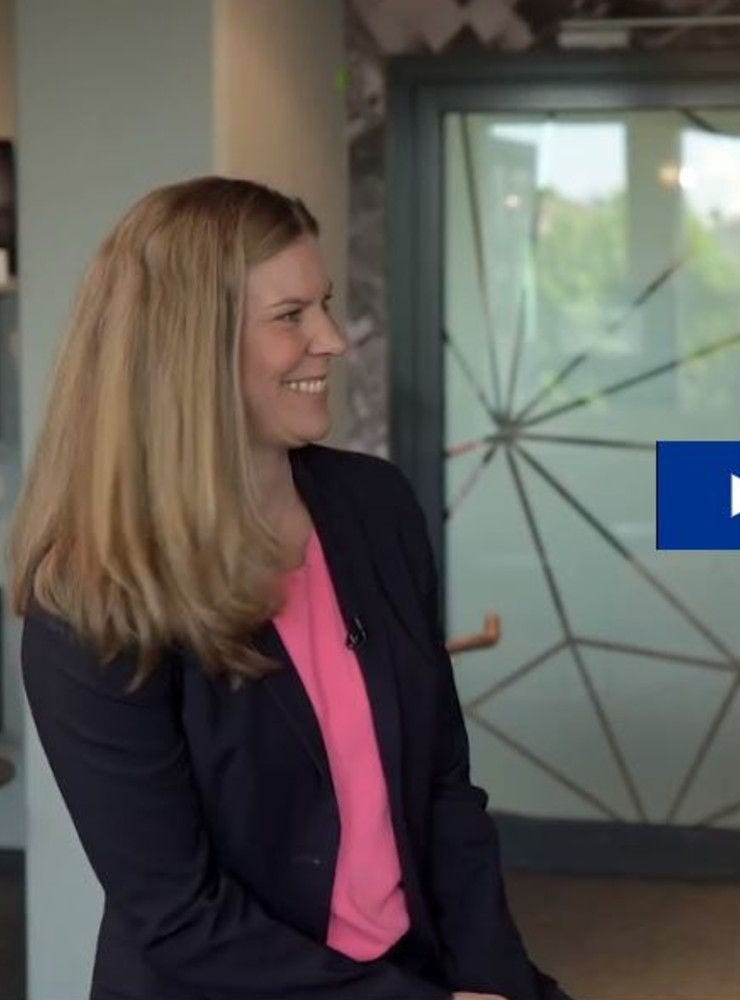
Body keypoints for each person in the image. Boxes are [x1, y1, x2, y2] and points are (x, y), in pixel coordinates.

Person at [11, 177, 567, 1000]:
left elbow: (445, 793)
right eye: (291, 316)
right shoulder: (92, 602)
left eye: (325, 305)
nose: (333, 340)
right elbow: (180, 917)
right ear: (190, 351)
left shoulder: (376, 508)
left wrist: (498, 981)